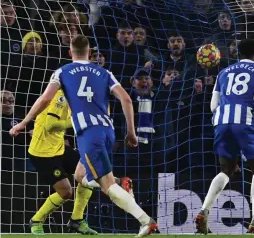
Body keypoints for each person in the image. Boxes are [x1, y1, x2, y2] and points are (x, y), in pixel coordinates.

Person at [10, 35, 157, 237]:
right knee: (81, 176)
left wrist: (24, 122)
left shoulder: (62, 72)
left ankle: (145, 220)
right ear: (89, 53)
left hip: (89, 134)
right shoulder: (105, 72)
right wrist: (131, 132)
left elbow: (45, 99)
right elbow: (127, 99)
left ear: (70, 52)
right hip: (107, 132)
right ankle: (78, 219)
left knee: (106, 185)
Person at [27, 88, 134, 235]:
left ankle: (77, 220)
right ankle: (37, 220)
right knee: (66, 193)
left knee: (87, 170)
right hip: (43, 153)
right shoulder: (60, 96)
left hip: (60, 148)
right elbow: (50, 125)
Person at [195, 38, 254, 237]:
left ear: (237, 53)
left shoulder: (223, 72)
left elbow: (213, 106)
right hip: (245, 120)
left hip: (221, 120)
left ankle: (204, 211)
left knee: (226, 170)